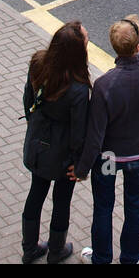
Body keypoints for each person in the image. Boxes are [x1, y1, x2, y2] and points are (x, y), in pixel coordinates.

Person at [73, 14, 139, 264]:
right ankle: (131, 258)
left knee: (104, 207)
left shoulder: (104, 84)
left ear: (113, 46)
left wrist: (82, 168)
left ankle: (101, 258)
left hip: (108, 158)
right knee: (134, 206)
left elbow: (96, 135)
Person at [21, 21, 91, 264]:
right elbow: (78, 132)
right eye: (86, 39)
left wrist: (35, 126)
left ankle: (29, 249)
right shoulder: (79, 88)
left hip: (38, 146)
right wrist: (79, 163)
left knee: (36, 194)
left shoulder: (38, 63)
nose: (88, 41)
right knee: (62, 201)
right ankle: (57, 250)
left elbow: (28, 101)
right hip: (63, 157)